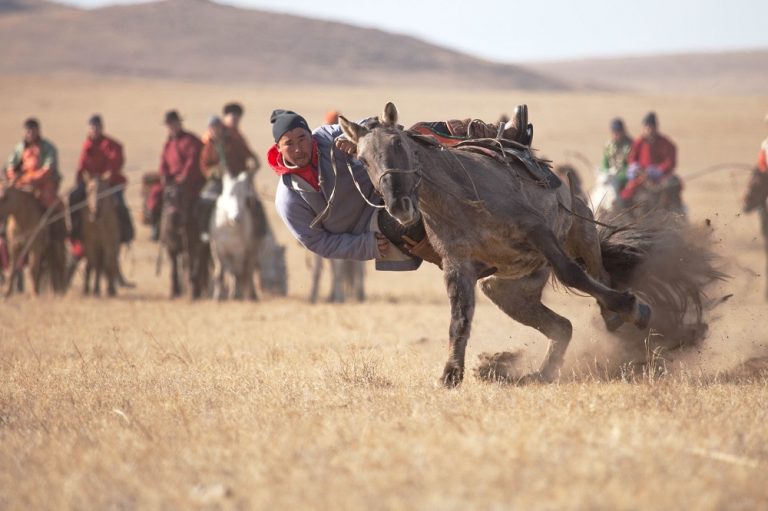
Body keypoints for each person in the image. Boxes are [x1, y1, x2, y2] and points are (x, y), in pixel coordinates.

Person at [198, 103, 263, 241]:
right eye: (212, 128)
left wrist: (252, 168)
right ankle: (204, 231)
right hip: (218, 181)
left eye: (217, 127)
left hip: (237, 180)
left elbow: (249, 155)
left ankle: (259, 233)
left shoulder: (234, 140)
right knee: (205, 200)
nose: (215, 130)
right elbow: (204, 165)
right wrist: (214, 172)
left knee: (253, 201)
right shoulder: (209, 144)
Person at [69, 115, 133, 249]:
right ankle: (75, 230)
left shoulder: (111, 144)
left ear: (101, 128)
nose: (94, 130)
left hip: (109, 182)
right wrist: (83, 178)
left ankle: (126, 232)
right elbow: (82, 166)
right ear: (88, 129)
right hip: (91, 183)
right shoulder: (87, 145)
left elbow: (116, 160)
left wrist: (108, 174)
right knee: (73, 197)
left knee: (119, 202)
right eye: (92, 127)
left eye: (97, 127)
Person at [5, 118, 67, 240]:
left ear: (38, 131)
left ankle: (55, 236)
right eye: (28, 131)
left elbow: (48, 169)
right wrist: (14, 176)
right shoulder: (20, 148)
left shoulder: (48, 148)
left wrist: (30, 179)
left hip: (42, 186)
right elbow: (10, 166)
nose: (30, 134)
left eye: (33, 131)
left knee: (52, 205)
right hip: (20, 185)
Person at [621, 111, 678, 203]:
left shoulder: (665, 143)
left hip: (660, 178)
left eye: (651, 126)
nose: (649, 129)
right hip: (641, 177)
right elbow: (632, 158)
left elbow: (670, 162)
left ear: (656, 127)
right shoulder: (639, 142)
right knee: (625, 196)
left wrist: (658, 170)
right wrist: (636, 168)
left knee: (672, 185)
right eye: (646, 127)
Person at [159, 110, 205, 206]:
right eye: (169, 125)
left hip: (191, 182)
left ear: (179, 123)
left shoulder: (191, 140)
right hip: (171, 181)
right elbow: (163, 163)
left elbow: (192, 160)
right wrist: (164, 175)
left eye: (174, 123)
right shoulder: (168, 144)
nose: (172, 127)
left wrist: (183, 176)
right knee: (155, 196)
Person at [600, 117, 633, 198]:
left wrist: (620, 176)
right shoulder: (608, 145)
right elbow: (605, 162)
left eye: (618, 131)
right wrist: (606, 172)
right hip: (610, 177)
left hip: (624, 178)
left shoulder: (630, 145)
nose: (616, 134)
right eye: (614, 131)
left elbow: (631, 165)